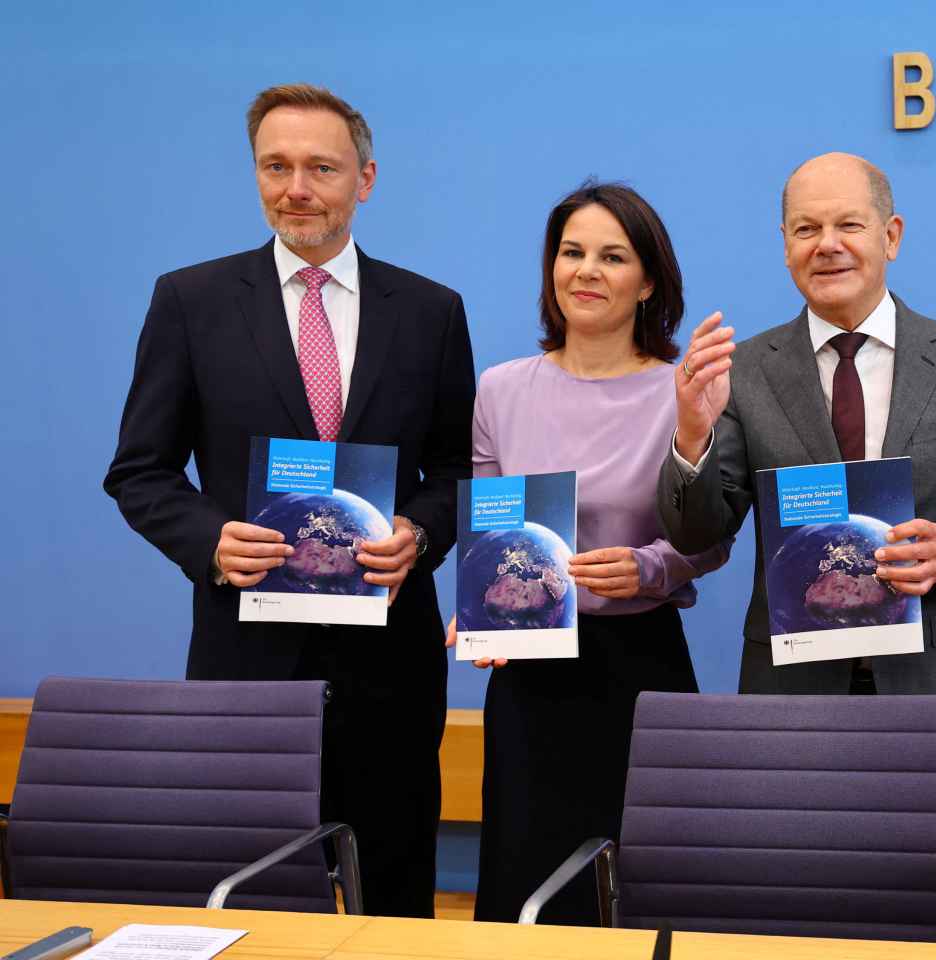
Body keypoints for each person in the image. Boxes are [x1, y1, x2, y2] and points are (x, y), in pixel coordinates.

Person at [103, 83, 474, 917]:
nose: (295, 187)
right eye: (275, 166)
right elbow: (140, 469)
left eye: (320, 167)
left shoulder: (430, 311)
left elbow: (458, 467)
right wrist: (208, 540)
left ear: (365, 179)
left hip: (390, 662)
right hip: (247, 657)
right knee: (253, 894)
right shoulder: (189, 302)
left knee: (394, 895)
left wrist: (421, 529)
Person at [657, 152, 936, 847]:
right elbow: (696, 531)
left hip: (934, 684)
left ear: (890, 236)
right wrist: (691, 433)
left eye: (848, 225)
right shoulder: (745, 372)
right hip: (790, 695)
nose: (826, 244)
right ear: (784, 247)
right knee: (798, 912)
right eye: (805, 228)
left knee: (934, 916)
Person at [450, 181, 729, 924]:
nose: (587, 271)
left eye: (613, 256)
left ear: (647, 282)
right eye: (572, 252)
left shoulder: (684, 390)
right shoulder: (501, 389)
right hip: (531, 685)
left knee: (646, 890)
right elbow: (490, 531)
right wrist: (477, 614)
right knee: (526, 885)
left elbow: (711, 537)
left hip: (640, 667)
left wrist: (650, 567)